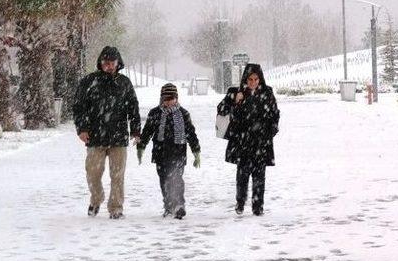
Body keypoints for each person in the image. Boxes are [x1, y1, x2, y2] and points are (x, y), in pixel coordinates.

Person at [73, 46, 141, 219]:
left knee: (117, 176)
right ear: (100, 63)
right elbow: (79, 106)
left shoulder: (124, 83)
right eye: (106, 62)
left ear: (118, 63)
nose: (109, 66)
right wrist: (82, 128)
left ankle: (116, 208)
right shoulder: (89, 81)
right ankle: (96, 198)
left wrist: (135, 130)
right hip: (95, 136)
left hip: (118, 136)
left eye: (112, 62)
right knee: (92, 173)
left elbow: (133, 107)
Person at [217, 63, 280, 216]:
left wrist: (270, 130)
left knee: (259, 176)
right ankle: (240, 202)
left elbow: (274, 114)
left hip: (261, 141)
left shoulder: (267, 93)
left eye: (256, 79)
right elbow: (221, 109)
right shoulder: (236, 92)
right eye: (250, 79)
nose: (253, 82)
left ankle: (258, 206)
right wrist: (233, 99)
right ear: (245, 79)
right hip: (242, 142)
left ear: (260, 79)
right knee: (242, 175)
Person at [136, 83, 201, 219]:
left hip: (178, 153)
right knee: (164, 180)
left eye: (171, 98)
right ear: (161, 99)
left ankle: (179, 205)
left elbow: (191, 133)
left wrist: (196, 151)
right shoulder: (155, 113)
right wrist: (141, 146)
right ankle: (168, 205)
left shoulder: (183, 114)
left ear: (176, 98)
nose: (168, 101)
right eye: (165, 98)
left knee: (177, 179)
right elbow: (147, 131)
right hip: (161, 153)